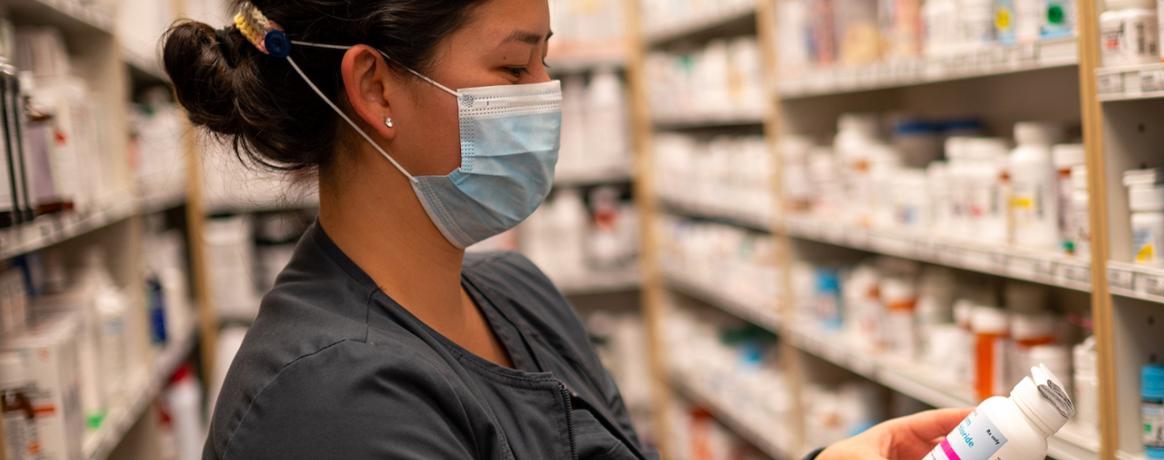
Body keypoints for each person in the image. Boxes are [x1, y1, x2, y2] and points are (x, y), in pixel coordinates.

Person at [162, 1, 969, 458]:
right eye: (514, 69)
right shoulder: (329, 406)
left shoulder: (516, 296)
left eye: (545, 61)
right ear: (375, 87)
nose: (547, 94)